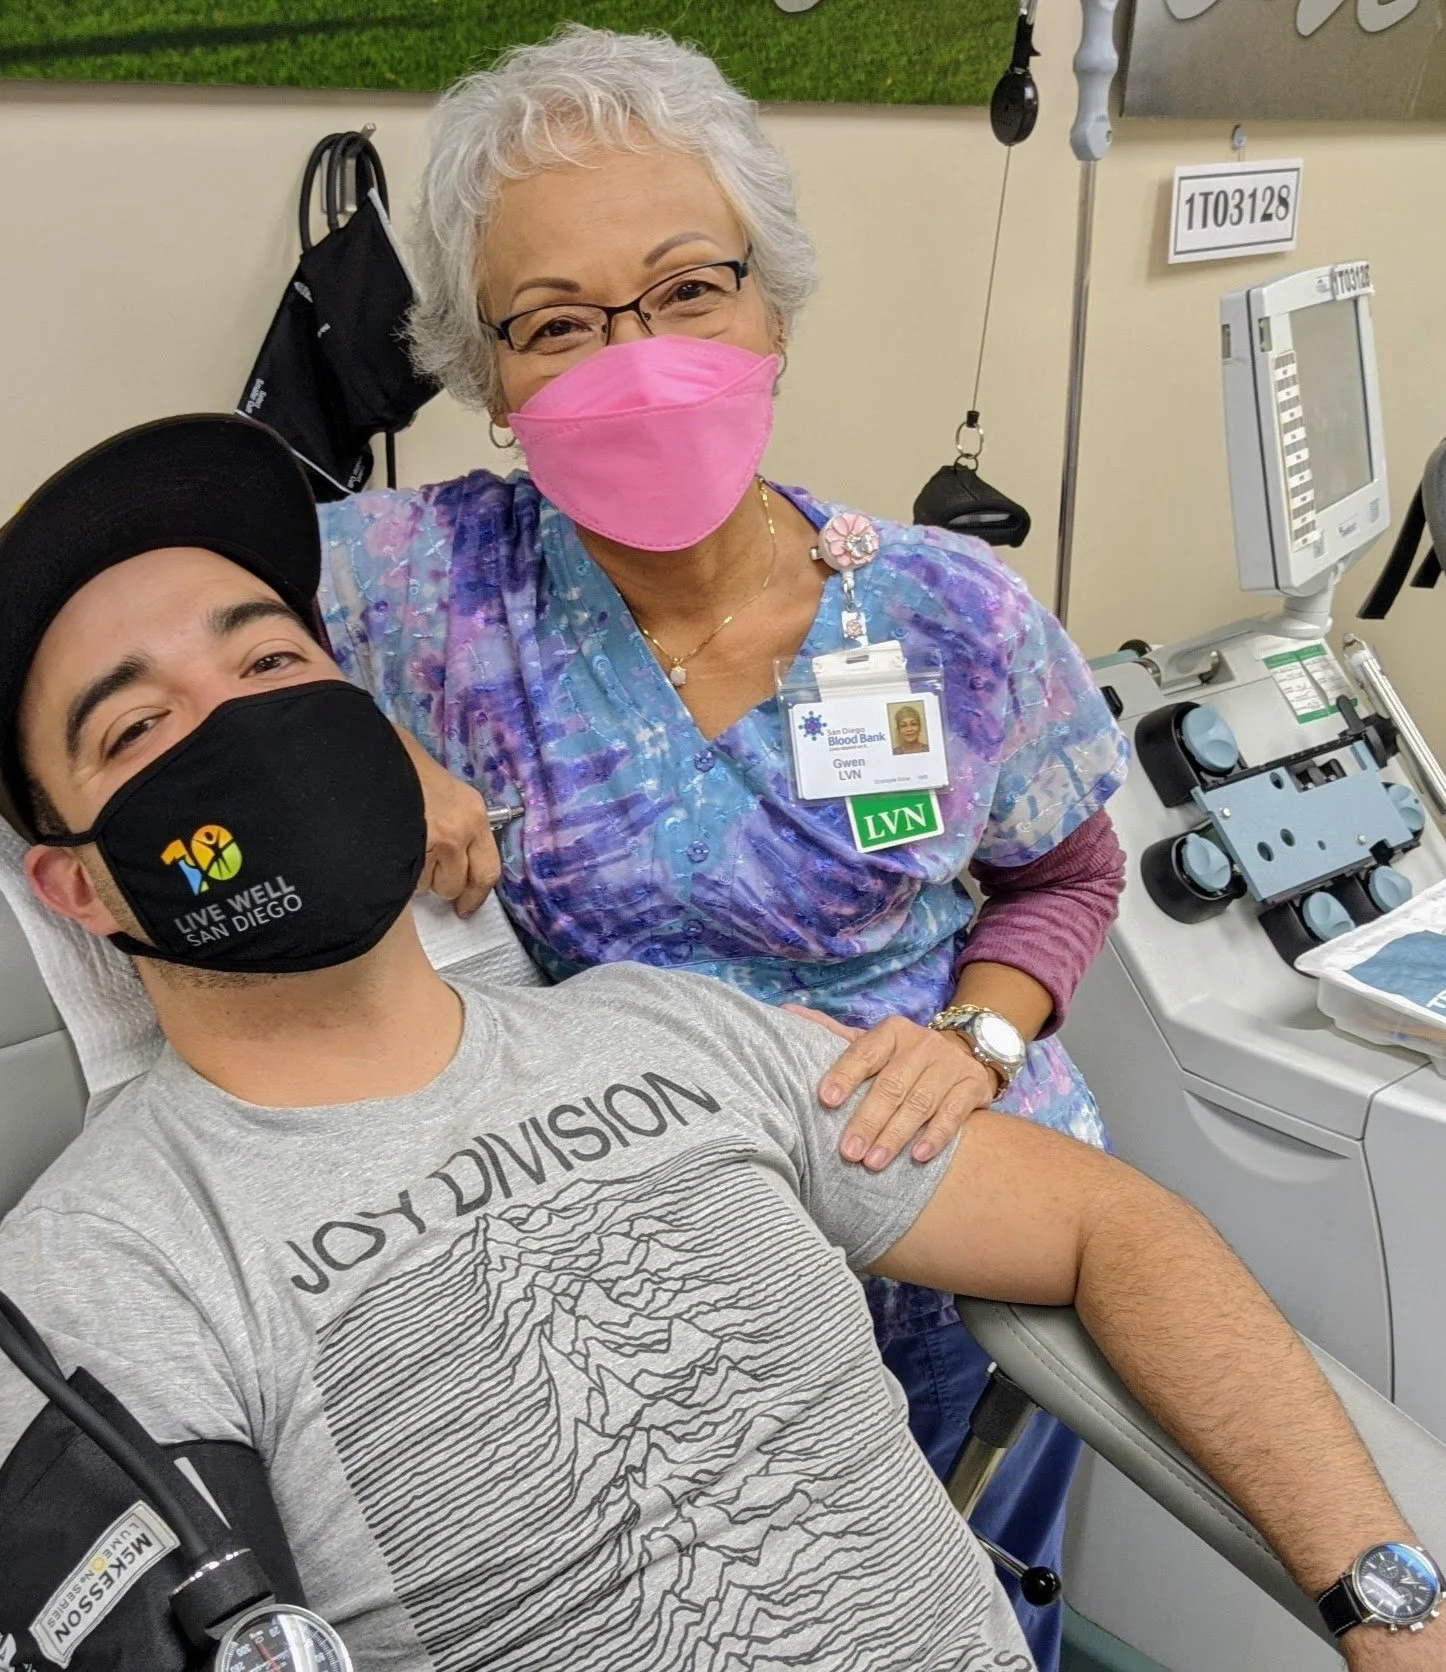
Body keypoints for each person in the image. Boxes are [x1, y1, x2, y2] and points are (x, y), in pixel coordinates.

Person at [0, 413, 1437, 1672]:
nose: (242, 728)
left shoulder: (668, 1031)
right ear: (74, 887)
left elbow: (1114, 1227)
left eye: (271, 661)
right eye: (136, 730)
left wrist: (1392, 1599)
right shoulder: (109, 1263)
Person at [317, 26, 1127, 1662]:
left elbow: (1065, 871)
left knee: (974, 1618)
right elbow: (114, 586)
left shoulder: (947, 613)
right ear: (487, 382)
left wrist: (975, 1037)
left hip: (976, 1252)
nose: (635, 357)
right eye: (555, 323)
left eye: (689, 288)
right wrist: (350, 730)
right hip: (669, 1286)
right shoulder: (420, 593)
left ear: (773, 309)